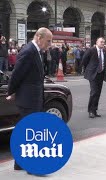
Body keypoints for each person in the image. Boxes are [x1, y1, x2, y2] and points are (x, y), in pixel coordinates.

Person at [6, 27, 53, 171]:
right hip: (28, 100)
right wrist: (11, 91)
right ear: (39, 37)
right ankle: (27, 164)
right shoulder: (28, 51)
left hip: (33, 98)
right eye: (48, 41)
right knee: (29, 133)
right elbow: (17, 74)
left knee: (29, 132)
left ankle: (20, 164)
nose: (50, 44)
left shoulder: (37, 52)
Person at [82, 37, 106, 118]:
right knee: (94, 92)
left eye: (103, 42)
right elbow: (84, 60)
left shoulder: (104, 51)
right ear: (96, 42)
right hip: (93, 74)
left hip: (101, 74)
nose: (102, 43)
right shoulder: (91, 50)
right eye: (101, 42)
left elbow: (104, 62)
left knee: (98, 92)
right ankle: (90, 111)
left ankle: (95, 110)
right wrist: (89, 69)